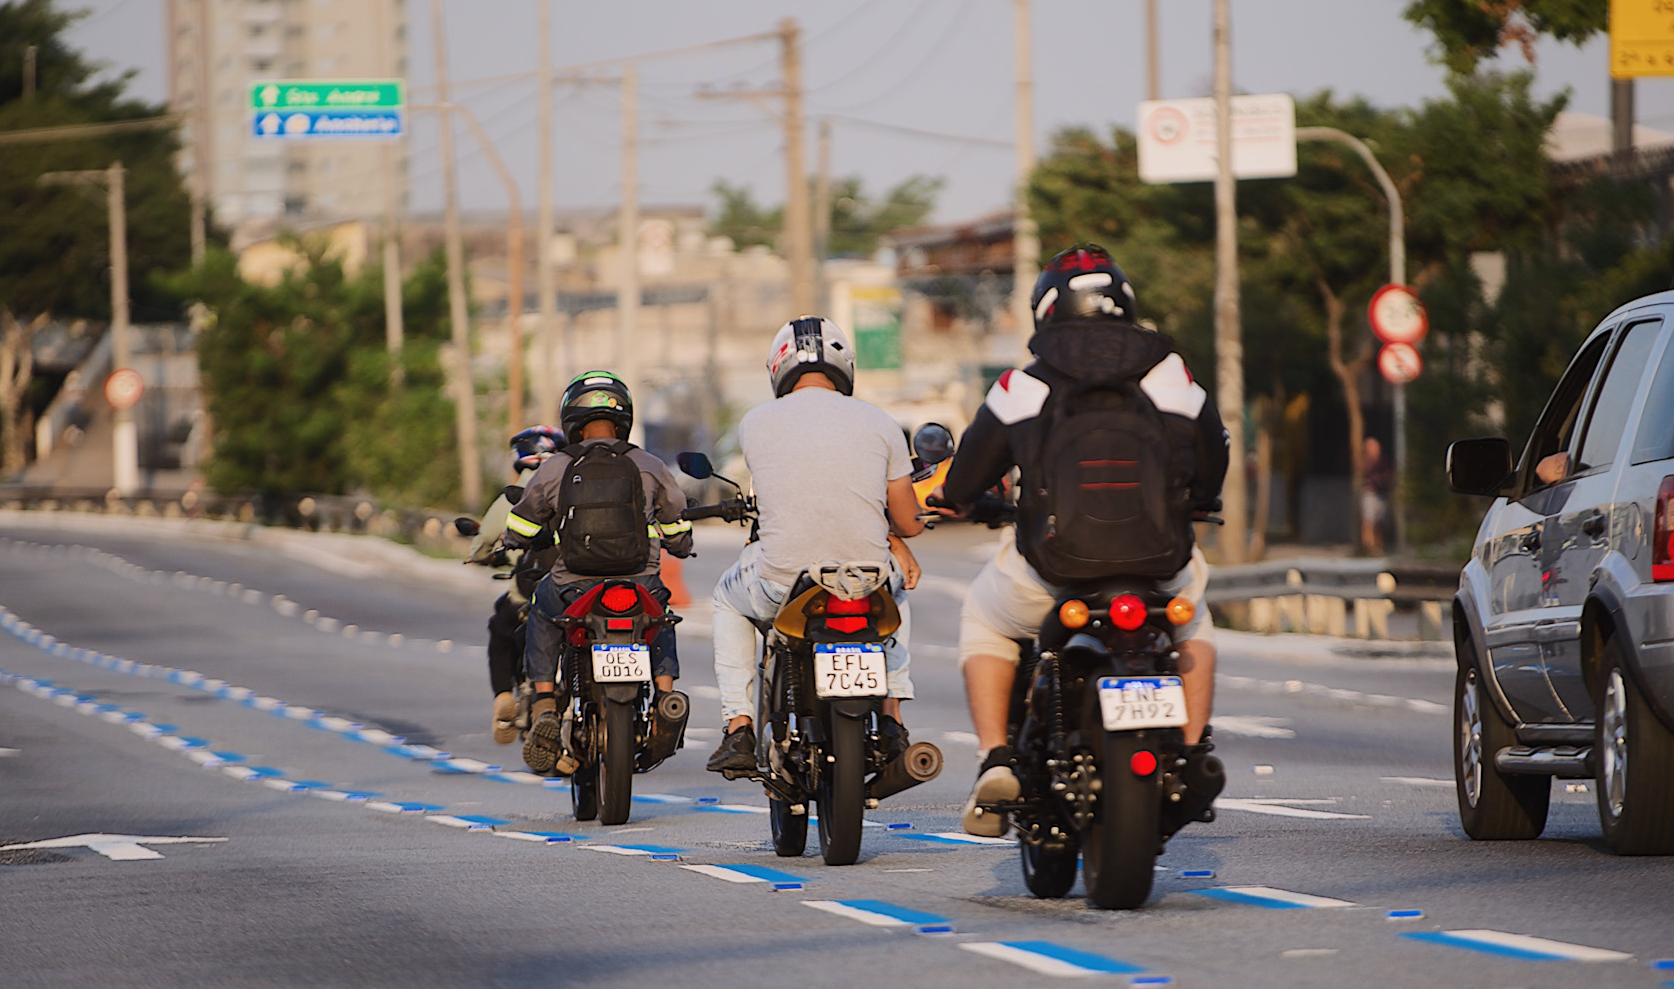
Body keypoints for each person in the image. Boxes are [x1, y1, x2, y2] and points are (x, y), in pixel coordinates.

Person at [932, 244, 1229, 836]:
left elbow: (966, 476)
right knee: (1193, 623)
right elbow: (1212, 456)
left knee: (984, 621)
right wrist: (1194, 497)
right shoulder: (1171, 371)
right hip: (1158, 566)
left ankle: (997, 759)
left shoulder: (1024, 383)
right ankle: (1192, 755)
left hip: (1051, 570)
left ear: (1047, 308)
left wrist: (958, 500)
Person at [704, 316, 926, 779]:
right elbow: (907, 520)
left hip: (783, 584)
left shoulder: (756, 422)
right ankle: (892, 716)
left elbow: (791, 494)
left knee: (726, 598)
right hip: (865, 580)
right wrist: (896, 538)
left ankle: (739, 725)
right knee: (898, 591)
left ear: (778, 368)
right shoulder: (880, 421)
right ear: (844, 364)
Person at [496, 372, 694, 775]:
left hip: (575, 584)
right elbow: (676, 523)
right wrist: (680, 545)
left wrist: (511, 540)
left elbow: (525, 524)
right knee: (661, 618)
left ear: (572, 419)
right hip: (640, 581)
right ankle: (665, 698)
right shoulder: (649, 464)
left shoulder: (556, 467)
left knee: (542, 612)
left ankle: (546, 704)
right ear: (624, 418)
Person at [468, 424, 565, 743]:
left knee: (500, 628)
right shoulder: (574, 490)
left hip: (526, 595)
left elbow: (482, 543)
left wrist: (482, 556)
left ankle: (502, 698)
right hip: (574, 590)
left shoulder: (512, 497)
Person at [1361, 435, 1394, 555]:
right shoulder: (1363, 462)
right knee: (1368, 520)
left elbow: (1390, 476)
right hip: (1369, 494)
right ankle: (1367, 547)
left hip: (1381, 494)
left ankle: (1379, 546)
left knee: (1380, 522)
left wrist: (1380, 480)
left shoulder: (1383, 461)